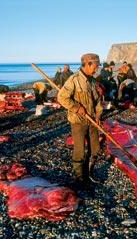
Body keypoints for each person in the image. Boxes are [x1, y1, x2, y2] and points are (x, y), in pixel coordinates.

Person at [58, 53, 103, 188]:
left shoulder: (93, 81)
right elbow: (61, 98)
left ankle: (88, 173)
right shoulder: (74, 80)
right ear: (88, 64)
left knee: (95, 148)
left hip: (92, 121)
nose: (96, 69)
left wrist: (98, 116)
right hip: (78, 121)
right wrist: (77, 107)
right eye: (95, 66)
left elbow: (98, 101)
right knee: (79, 150)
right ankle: (79, 178)